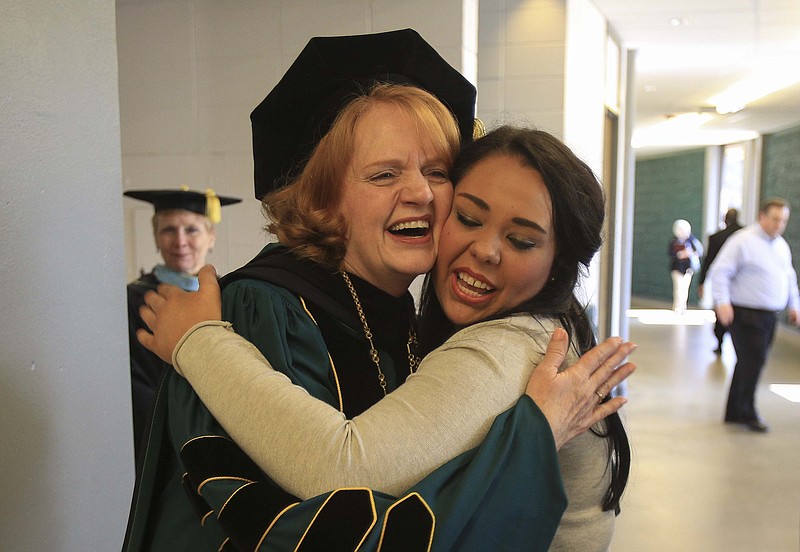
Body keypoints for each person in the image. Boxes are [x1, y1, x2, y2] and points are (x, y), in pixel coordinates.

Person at [124, 29, 633, 552]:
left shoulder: (417, 321)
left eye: (437, 172)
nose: (418, 193)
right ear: (323, 198)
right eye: (384, 174)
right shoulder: (265, 311)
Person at [123, 187, 240, 463]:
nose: (180, 240)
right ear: (155, 237)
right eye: (168, 230)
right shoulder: (133, 299)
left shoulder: (234, 295)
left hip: (225, 434)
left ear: (211, 237)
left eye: (192, 229)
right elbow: (134, 379)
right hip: (157, 438)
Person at [709, 197, 800, 433]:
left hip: (769, 316)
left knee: (749, 362)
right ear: (762, 217)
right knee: (754, 361)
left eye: (784, 221)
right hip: (745, 314)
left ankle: (734, 411)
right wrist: (723, 302)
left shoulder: (780, 245)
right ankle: (747, 412)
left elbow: (789, 278)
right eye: (775, 219)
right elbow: (720, 272)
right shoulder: (743, 241)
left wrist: (794, 305)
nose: (779, 225)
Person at [698, 208, 742, 353]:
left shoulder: (716, 238)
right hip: (741, 282)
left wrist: (702, 282)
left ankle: (720, 342)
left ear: (725, 219)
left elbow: (708, 261)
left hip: (723, 283)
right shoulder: (745, 235)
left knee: (721, 312)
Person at [668, 218, 703, 313]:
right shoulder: (674, 241)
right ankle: (677, 307)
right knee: (678, 288)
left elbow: (699, 250)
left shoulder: (691, 240)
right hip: (677, 268)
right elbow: (671, 254)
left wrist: (690, 253)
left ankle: (683, 306)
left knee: (685, 289)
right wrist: (680, 254)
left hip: (688, 268)